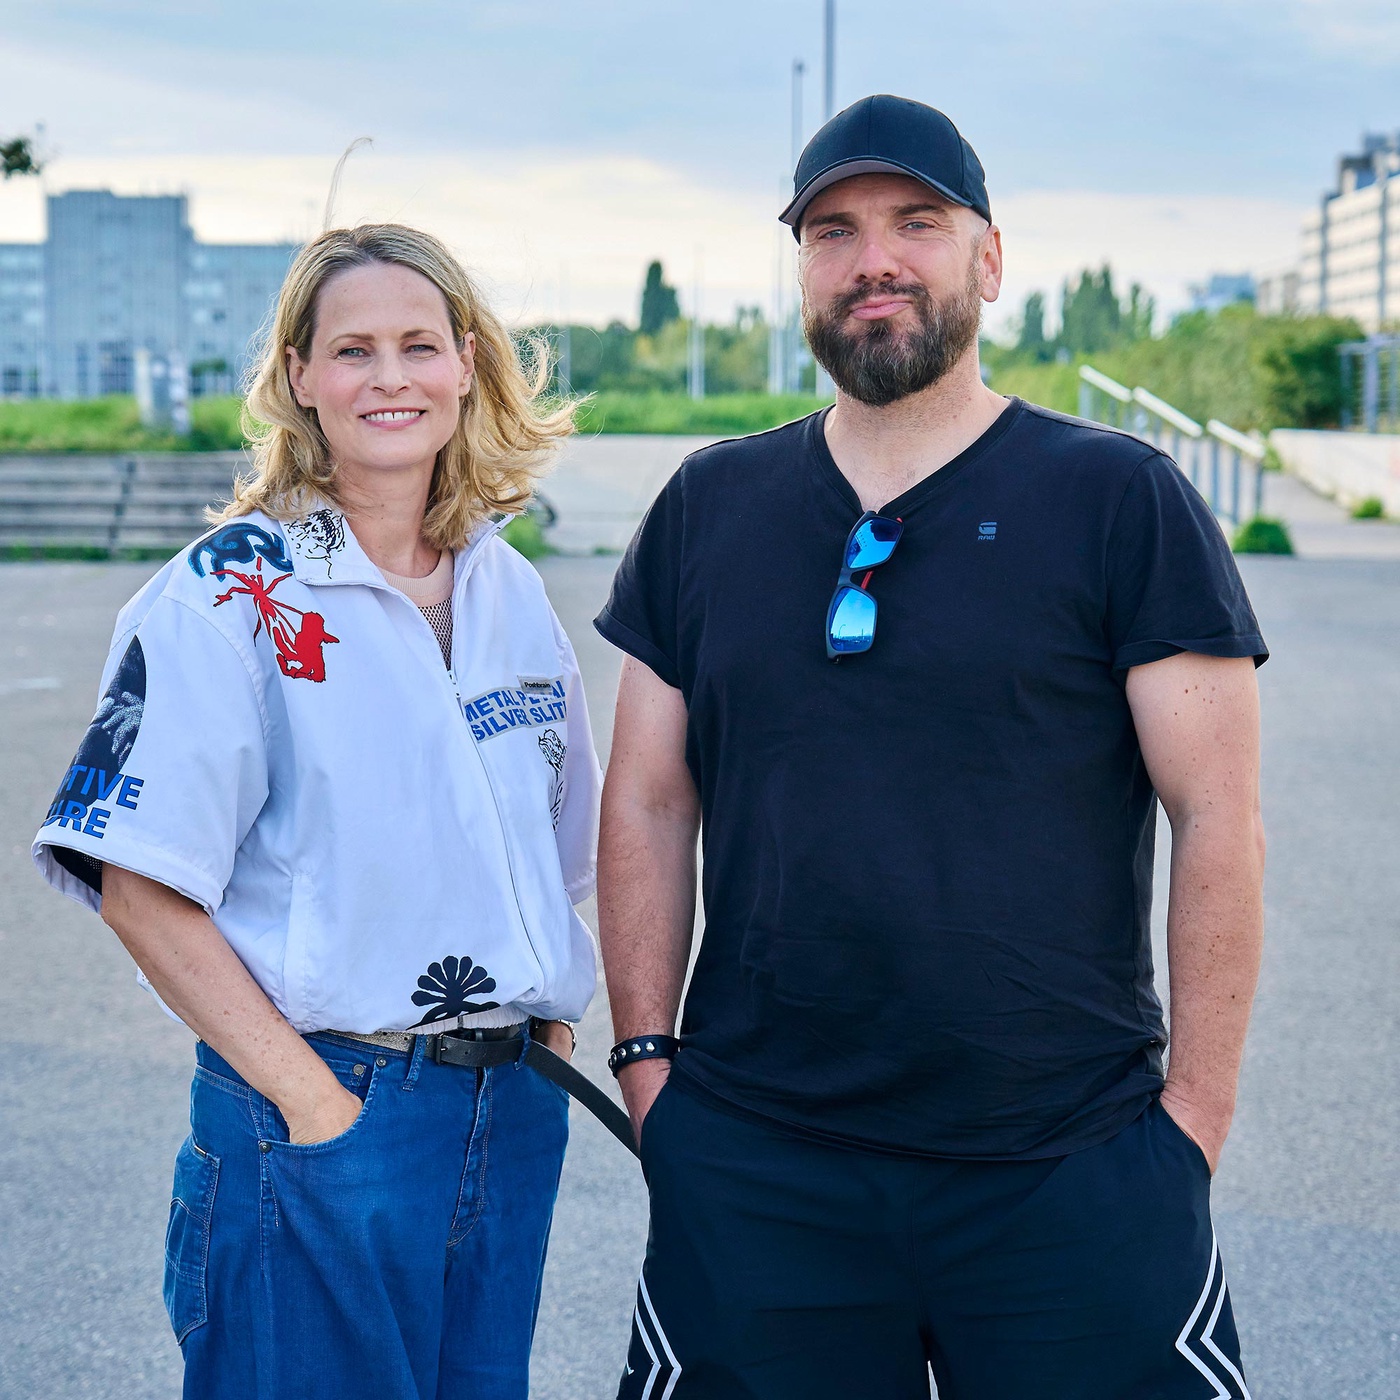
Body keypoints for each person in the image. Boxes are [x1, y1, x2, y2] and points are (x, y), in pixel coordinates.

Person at [596, 95, 1265, 1399]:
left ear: (990, 260)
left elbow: (1219, 817)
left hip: (1066, 1168)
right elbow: (648, 800)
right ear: (802, 271)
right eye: (834, 231)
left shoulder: (1117, 498)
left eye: (917, 222)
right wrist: (646, 1068)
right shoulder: (708, 506)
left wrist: (1193, 1123)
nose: (874, 259)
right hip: (758, 1164)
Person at [32, 223, 602, 1400]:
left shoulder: (508, 585)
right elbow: (138, 883)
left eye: (417, 344)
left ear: (466, 364)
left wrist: (546, 1028)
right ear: (298, 376)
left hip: (508, 1112)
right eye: (351, 350)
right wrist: (314, 1104)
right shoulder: (223, 594)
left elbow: (556, 850)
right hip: (329, 1108)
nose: (388, 377)